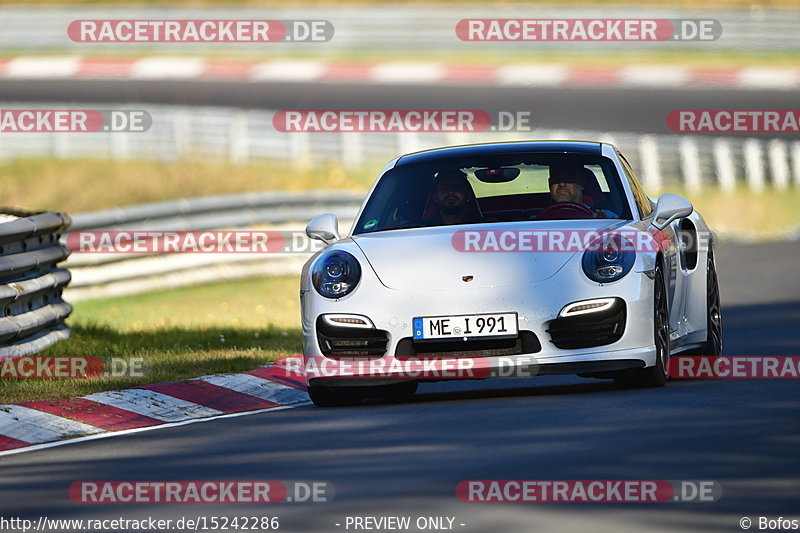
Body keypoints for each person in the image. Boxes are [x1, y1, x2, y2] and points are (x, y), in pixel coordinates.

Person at [540, 163, 616, 219]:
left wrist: (604, 227)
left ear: (582, 183)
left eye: (569, 179)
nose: (562, 184)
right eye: (556, 179)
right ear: (549, 184)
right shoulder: (534, 221)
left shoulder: (606, 217)